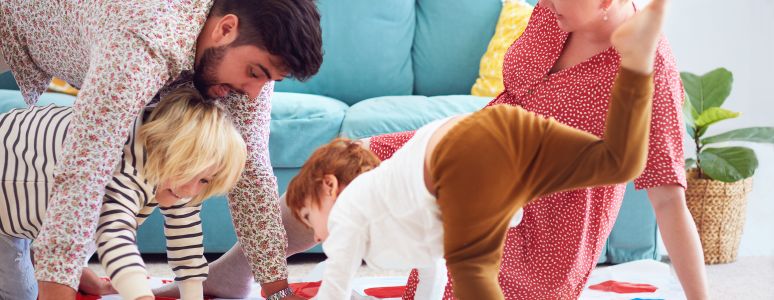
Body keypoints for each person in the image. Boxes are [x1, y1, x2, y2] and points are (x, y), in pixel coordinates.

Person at [286, 1, 670, 298]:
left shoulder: (350, 211)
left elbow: (336, 284)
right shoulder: (553, 15)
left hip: (510, 173)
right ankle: (636, 64)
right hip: (492, 140)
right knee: (617, 163)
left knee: (470, 269)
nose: (320, 236)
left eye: (310, 217)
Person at [0, 0, 323, 299]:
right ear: (225, 29)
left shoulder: (245, 73)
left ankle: (37, 250)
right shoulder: (142, 46)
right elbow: (83, 173)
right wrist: (58, 282)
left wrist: (278, 289)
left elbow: (252, 174)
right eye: (254, 73)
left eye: (268, 81)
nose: (252, 94)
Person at [0, 88, 247, 299]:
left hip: (50, 210)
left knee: (95, 215)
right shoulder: (123, 164)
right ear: (164, 147)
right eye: (187, 172)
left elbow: (187, 239)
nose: (190, 190)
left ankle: (55, 256)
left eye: (204, 180)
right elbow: (115, 236)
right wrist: (140, 293)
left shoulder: (175, 175)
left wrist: (192, 294)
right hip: (7, 208)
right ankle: (48, 254)